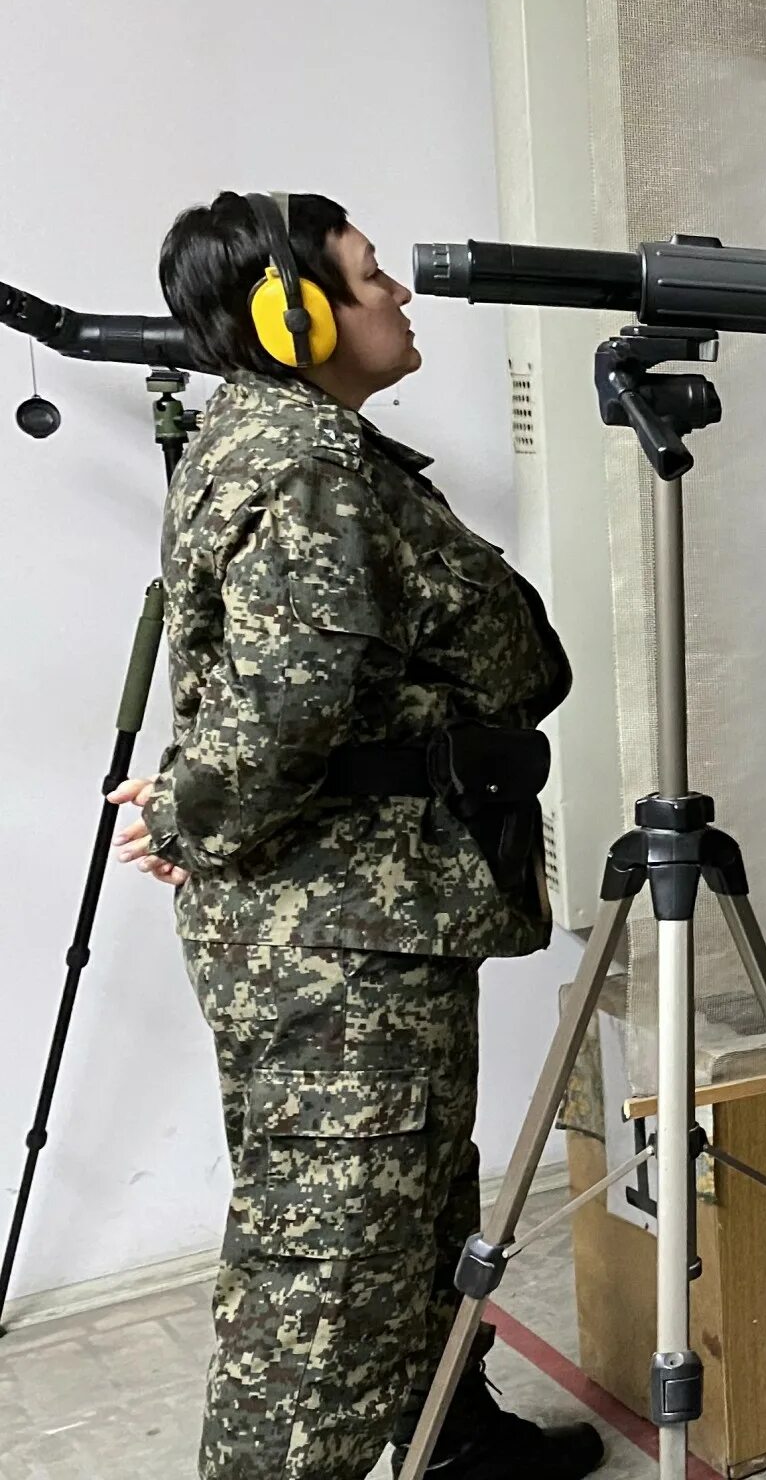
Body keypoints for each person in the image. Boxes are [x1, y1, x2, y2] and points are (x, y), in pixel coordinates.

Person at [109, 190, 604, 1480]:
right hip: (336, 929)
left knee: (415, 1199)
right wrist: (192, 813)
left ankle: (449, 1439)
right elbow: (289, 699)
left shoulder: (309, 448)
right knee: (332, 1252)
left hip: (369, 910)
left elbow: (266, 679)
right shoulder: (301, 461)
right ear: (295, 312)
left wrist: (190, 804)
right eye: (372, 277)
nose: (397, 296)